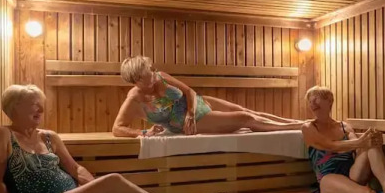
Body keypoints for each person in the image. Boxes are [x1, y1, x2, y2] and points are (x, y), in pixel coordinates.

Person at [0, 84, 224, 193]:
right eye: (33, 104)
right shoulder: (4, 135)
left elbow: (75, 169)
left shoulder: (49, 137)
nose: (40, 109)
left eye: (41, 104)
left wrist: (93, 187)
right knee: (113, 181)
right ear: (13, 107)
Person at [112, 56, 303, 137]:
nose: (154, 77)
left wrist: (190, 112)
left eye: (152, 72)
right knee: (246, 118)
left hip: (197, 105)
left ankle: (296, 122)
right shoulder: (134, 100)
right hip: (193, 123)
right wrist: (143, 133)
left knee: (247, 110)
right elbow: (117, 128)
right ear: (137, 80)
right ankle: (296, 128)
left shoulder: (160, 76)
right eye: (149, 76)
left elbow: (189, 92)